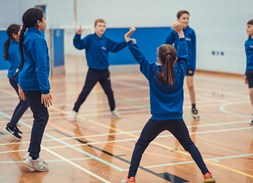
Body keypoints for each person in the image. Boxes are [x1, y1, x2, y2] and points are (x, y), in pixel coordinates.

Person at [122, 25, 215, 183]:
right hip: (176, 119)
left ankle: (131, 177)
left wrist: (129, 41)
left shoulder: (152, 71)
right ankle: (207, 174)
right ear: (174, 57)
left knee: (140, 145)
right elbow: (185, 57)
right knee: (190, 146)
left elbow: (140, 58)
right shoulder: (180, 71)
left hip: (157, 119)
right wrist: (180, 34)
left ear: (159, 58)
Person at [70, 18, 127, 120]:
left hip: (104, 72)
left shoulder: (106, 40)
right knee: (85, 91)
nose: (102, 28)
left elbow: (116, 47)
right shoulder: (89, 39)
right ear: (95, 27)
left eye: (104, 26)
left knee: (109, 92)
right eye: (100, 26)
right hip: (93, 72)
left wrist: (126, 42)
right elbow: (78, 45)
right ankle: (75, 110)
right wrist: (77, 35)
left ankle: (113, 110)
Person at [19, 8, 52, 171]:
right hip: (34, 84)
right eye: (44, 19)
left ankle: (31, 153)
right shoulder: (36, 39)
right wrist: (45, 90)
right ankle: (33, 157)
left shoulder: (30, 36)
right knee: (41, 117)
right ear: (38, 22)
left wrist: (20, 83)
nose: (46, 21)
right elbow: (40, 66)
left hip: (28, 82)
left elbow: (24, 61)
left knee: (40, 117)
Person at [165, 10, 199, 120]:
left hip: (188, 63)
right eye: (184, 18)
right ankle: (175, 108)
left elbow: (193, 49)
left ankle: (194, 107)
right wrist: (170, 59)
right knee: (177, 86)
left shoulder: (191, 32)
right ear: (178, 19)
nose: (186, 20)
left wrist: (193, 64)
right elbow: (167, 45)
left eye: (187, 18)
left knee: (190, 85)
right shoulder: (173, 32)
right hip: (177, 64)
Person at [3, 24, 29, 140]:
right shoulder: (15, 49)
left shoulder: (15, 44)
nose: (22, 32)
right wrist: (20, 86)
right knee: (26, 102)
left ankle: (12, 124)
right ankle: (11, 125)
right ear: (14, 35)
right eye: (20, 31)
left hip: (14, 77)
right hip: (16, 78)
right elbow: (19, 68)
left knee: (23, 101)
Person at [244, 19, 253, 125]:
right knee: (251, 93)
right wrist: (245, 73)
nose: (247, 29)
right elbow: (247, 58)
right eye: (247, 26)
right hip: (250, 71)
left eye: (249, 26)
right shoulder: (247, 42)